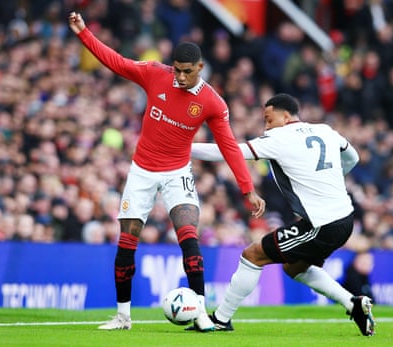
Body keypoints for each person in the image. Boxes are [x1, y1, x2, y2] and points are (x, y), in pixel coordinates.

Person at [68, 12, 265, 331]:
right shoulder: (155, 74)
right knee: (127, 242)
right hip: (142, 172)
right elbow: (116, 62)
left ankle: (202, 315)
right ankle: (123, 316)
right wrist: (83, 33)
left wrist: (248, 189)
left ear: (200, 68)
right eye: (177, 70)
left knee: (189, 238)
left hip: (177, 174)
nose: (181, 77)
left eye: (187, 72)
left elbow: (229, 146)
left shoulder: (213, 103)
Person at [190, 93, 375, 336]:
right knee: (293, 267)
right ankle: (353, 303)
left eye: (268, 119)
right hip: (344, 219)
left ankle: (222, 318)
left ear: (286, 116)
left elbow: (229, 151)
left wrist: (183, 147)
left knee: (253, 255)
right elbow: (353, 157)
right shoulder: (325, 130)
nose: (266, 126)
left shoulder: (279, 138)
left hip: (323, 223)